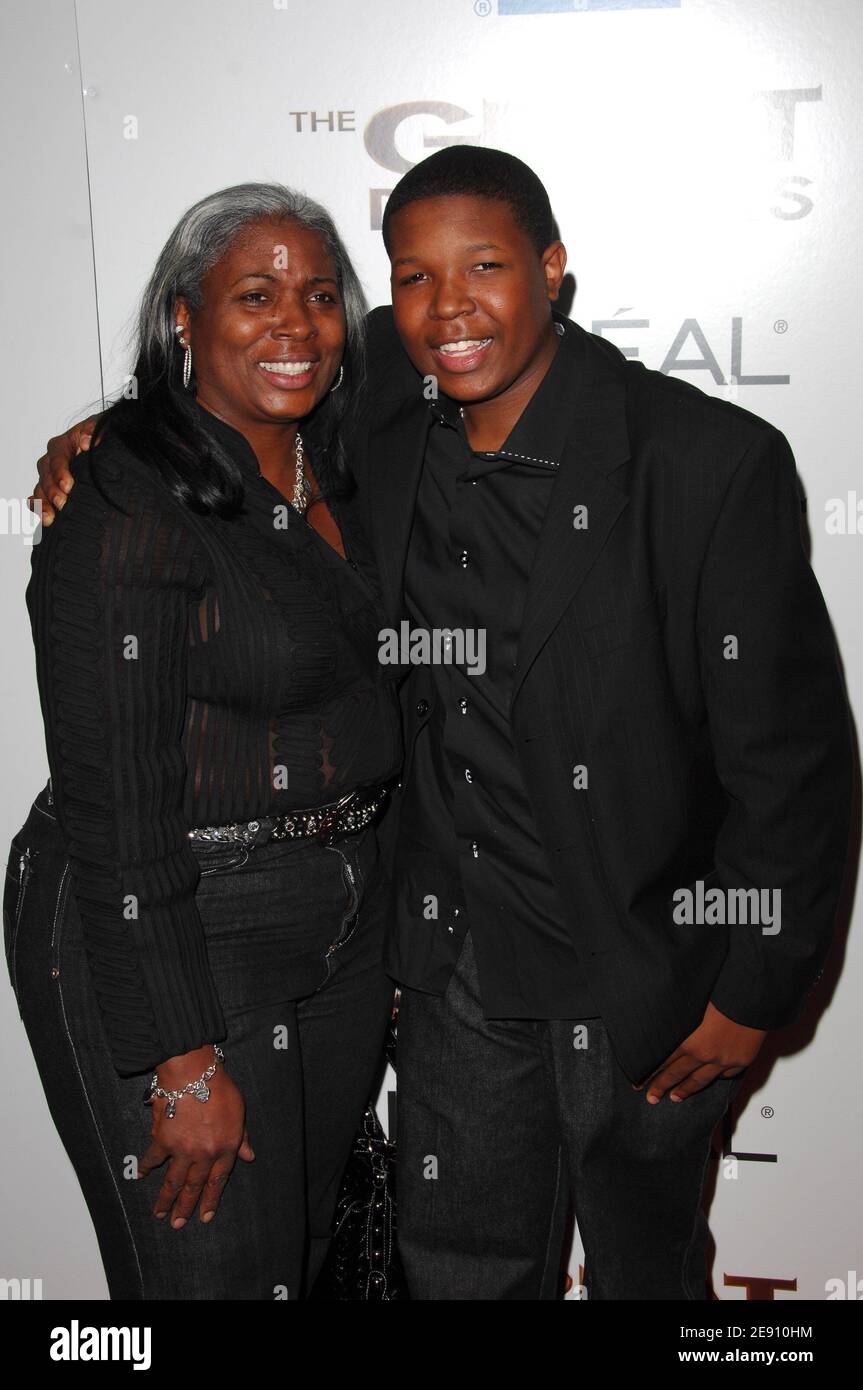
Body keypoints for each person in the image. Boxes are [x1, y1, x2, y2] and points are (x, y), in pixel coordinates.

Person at [31, 147, 854, 1302]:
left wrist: (753, 987)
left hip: (643, 969)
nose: (446, 307)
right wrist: (102, 439)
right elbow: (220, 387)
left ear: (552, 269)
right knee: (457, 1271)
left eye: (482, 267)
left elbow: (794, 764)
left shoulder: (706, 462)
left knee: (647, 1273)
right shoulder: (384, 415)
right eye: (410, 277)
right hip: (454, 966)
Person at [7, 182, 401, 1300]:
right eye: (255, 294)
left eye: (319, 296)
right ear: (183, 315)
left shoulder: (348, 459)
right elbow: (116, 799)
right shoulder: (127, 497)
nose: (294, 323)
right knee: (212, 1277)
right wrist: (178, 1060)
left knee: (304, 1260)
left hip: (342, 918)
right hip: (177, 919)